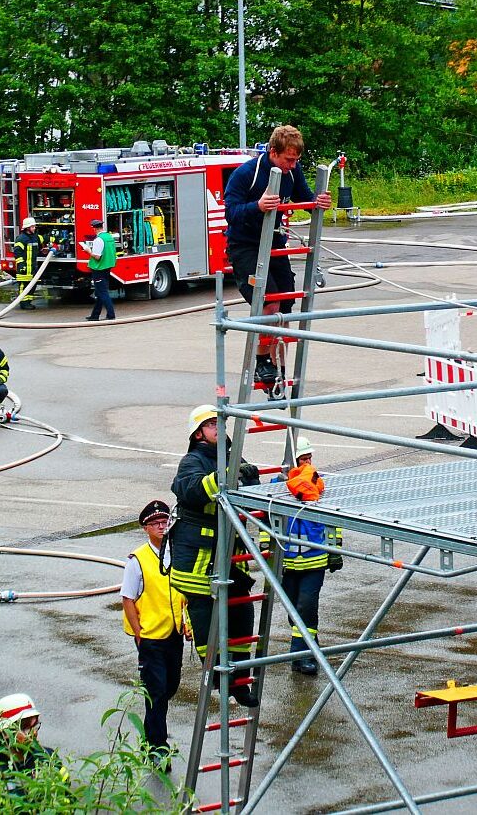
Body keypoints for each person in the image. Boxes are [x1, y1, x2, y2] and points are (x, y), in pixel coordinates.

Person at [223, 125, 332, 387]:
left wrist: (320, 202)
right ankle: (261, 362)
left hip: (274, 242)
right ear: (273, 152)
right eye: (288, 160)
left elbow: (306, 199)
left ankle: (278, 365)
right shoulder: (246, 174)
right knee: (268, 303)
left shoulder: (291, 174)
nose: (293, 166)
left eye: (296, 160)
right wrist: (257, 206)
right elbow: (231, 213)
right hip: (245, 246)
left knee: (285, 304)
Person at [168, 405, 261, 707]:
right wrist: (224, 476)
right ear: (198, 433)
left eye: (221, 424)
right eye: (211, 425)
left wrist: (250, 477)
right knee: (209, 625)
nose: (219, 430)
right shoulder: (191, 461)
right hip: (198, 561)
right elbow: (192, 490)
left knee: (244, 614)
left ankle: (240, 678)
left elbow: (248, 492)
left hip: (229, 557)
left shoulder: (234, 457)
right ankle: (220, 675)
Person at [264, 436, 342, 676]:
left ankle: (304, 656)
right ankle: (308, 651)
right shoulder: (277, 486)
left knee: (306, 606)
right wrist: (268, 552)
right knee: (293, 612)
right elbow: (266, 522)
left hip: (314, 559)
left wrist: (335, 549)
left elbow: (333, 518)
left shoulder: (318, 483)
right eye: (304, 458)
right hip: (287, 562)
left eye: (310, 457)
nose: (309, 462)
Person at [122, 500, 186, 767]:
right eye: (156, 523)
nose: (162, 526)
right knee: (157, 692)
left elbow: (186, 594)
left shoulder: (179, 553)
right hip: (150, 638)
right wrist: (139, 633)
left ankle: (153, 734)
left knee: (170, 686)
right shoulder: (138, 560)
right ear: (146, 528)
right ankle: (157, 747)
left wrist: (188, 624)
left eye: (165, 522)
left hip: (174, 634)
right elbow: (127, 598)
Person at [0, 693, 67, 811]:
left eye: (35, 726)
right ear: (6, 732)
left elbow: (66, 800)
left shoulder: (49, 758)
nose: (33, 733)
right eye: (25, 727)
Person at [83, 218, 116, 321]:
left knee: (103, 293)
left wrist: (88, 251)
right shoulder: (109, 237)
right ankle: (95, 315)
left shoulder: (98, 240)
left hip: (99, 268)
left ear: (94, 229)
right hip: (107, 267)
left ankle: (111, 315)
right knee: (100, 293)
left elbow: (97, 256)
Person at [13, 217, 40, 310]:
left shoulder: (35, 237)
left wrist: (58, 240)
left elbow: (45, 238)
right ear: (27, 228)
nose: (34, 228)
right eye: (32, 226)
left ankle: (28, 302)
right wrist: (21, 265)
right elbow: (17, 252)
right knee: (23, 285)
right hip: (24, 268)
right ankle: (23, 303)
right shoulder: (21, 239)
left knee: (32, 285)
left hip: (32, 268)